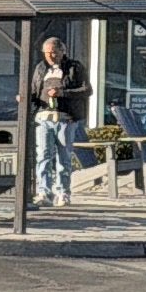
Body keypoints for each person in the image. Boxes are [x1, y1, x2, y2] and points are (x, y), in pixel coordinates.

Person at [31, 32, 88, 205]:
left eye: (54, 52)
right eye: (47, 53)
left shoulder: (74, 67)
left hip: (65, 117)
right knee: (43, 155)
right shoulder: (41, 68)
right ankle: (44, 192)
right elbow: (34, 90)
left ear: (63, 51)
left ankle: (63, 192)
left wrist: (62, 93)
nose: (50, 57)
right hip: (43, 116)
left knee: (63, 155)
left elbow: (87, 90)